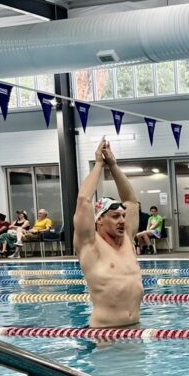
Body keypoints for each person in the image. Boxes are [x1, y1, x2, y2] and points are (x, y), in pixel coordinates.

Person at [74, 139, 143, 328]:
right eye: (115, 216)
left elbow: (131, 200)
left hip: (135, 329)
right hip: (105, 334)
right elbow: (84, 199)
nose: (122, 220)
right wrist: (98, 164)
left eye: (123, 216)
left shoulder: (127, 240)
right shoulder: (90, 245)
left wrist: (113, 164)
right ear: (99, 220)